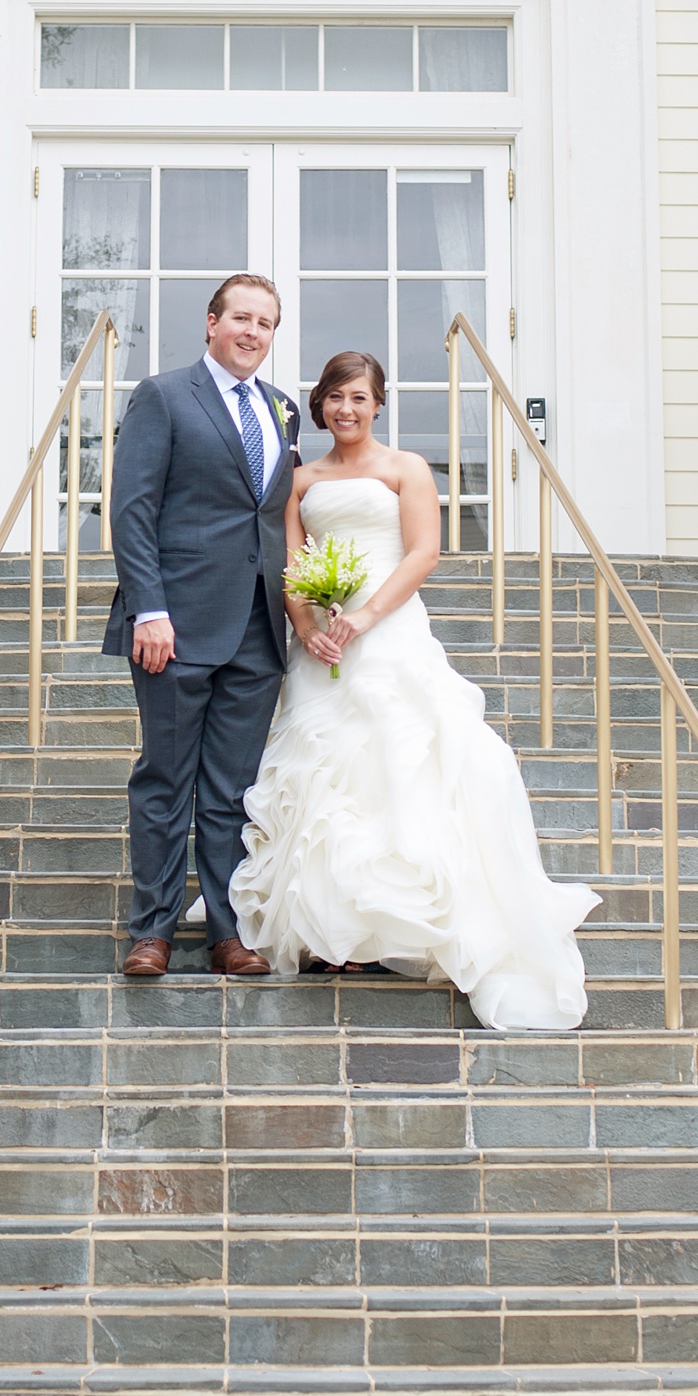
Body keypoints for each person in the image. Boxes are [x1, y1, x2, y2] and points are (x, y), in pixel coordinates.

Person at [229, 349, 592, 1031]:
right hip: (322, 645)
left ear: (378, 403)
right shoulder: (300, 480)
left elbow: (423, 551)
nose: (347, 409)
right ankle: (329, 930)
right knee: (326, 772)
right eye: (336, 397)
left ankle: (390, 929)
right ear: (319, 404)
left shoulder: (405, 468)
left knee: (396, 760)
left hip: (389, 629)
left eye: (360, 398)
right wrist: (310, 628)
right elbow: (291, 563)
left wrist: (364, 617)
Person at [102, 273, 301, 978]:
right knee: (166, 778)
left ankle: (226, 930)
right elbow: (133, 509)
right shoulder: (163, 395)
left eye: (266, 323)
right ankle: (152, 931)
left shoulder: (281, 410)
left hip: (258, 627)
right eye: (241, 317)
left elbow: (273, 517)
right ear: (211, 322)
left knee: (232, 789)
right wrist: (149, 608)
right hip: (176, 623)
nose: (253, 332)